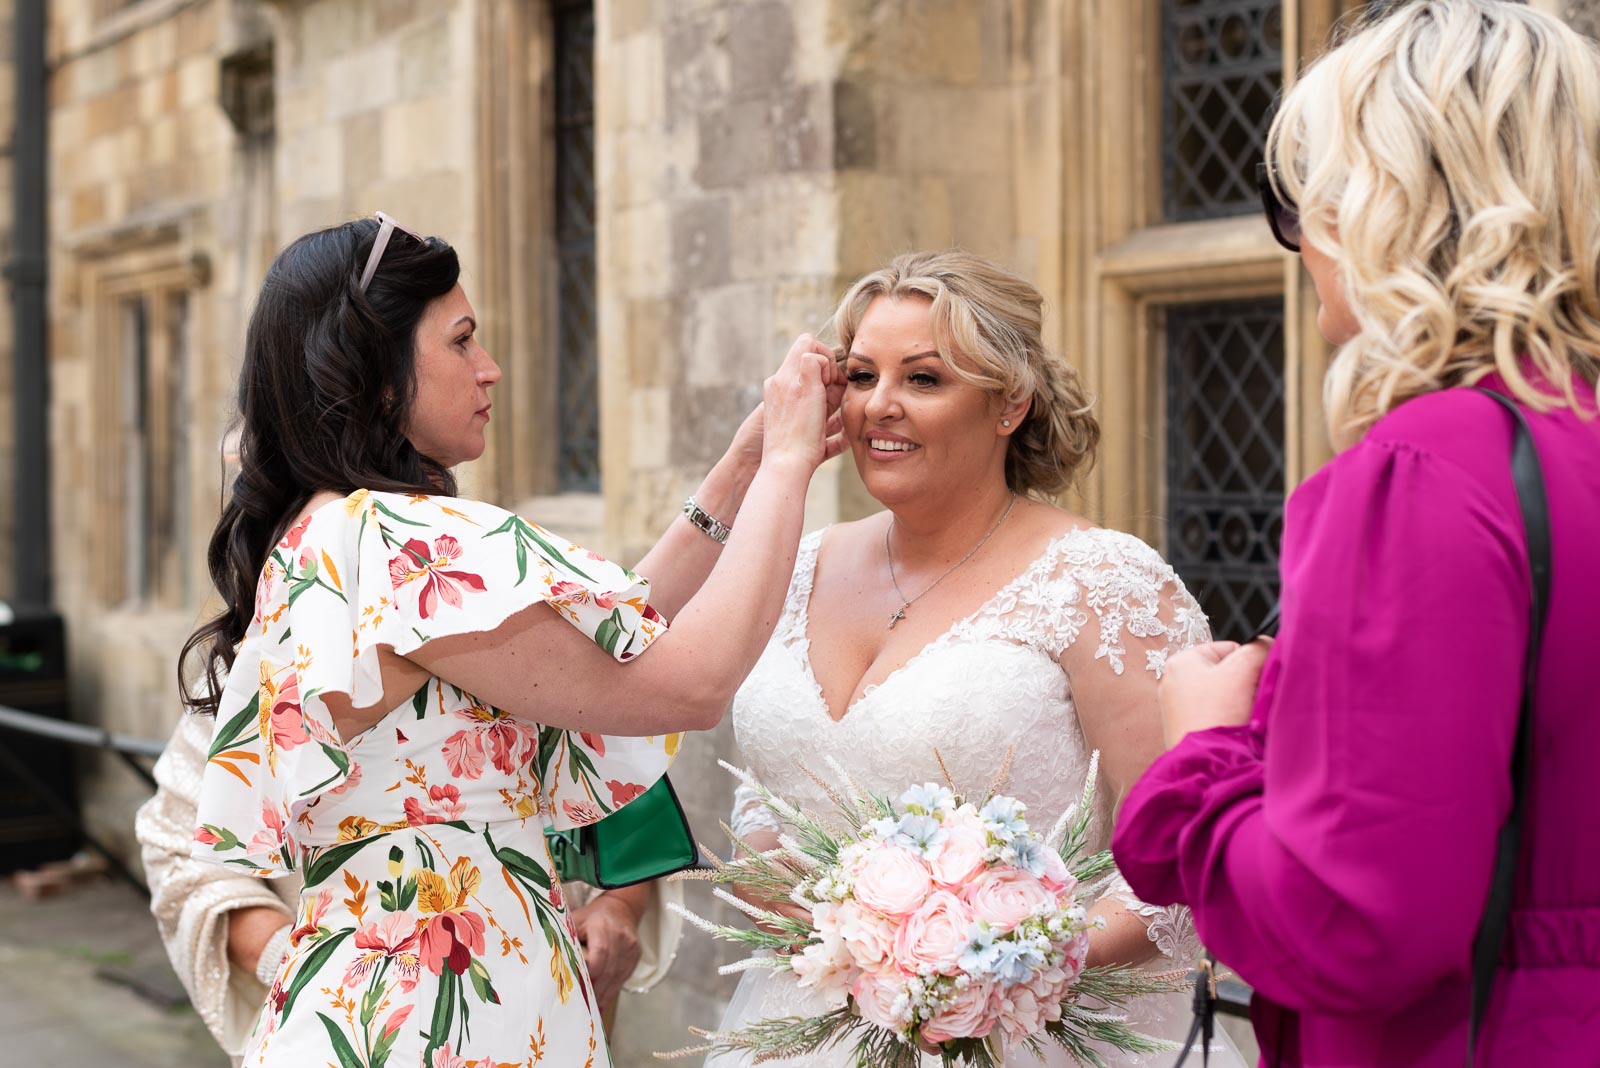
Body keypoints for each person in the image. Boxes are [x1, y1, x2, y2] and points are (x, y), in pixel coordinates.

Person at [181, 213, 843, 1067]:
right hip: (441, 1014)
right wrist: (790, 465)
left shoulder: (338, 527)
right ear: (377, 376)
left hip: (420, 991)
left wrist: (744, 467)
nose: (489, 369)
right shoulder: (403, 539)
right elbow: (690, 685)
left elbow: (598, 641)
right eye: (460, 342)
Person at [1111, 3, 1600, 1066]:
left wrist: (1204, 748)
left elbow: (1354, 924)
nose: (1296, 244)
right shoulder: (1576, 440)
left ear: (1388, 200)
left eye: (1306, 198)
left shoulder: (1422, 470)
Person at [706, 250, 1245, 1067]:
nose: (879, 407)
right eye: (859, 376)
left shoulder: (1099, 581)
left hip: (1039, 1037)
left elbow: (1184, 862)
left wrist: (994, 965)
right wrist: (831, 924)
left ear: (1009, 404)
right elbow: (765, 808)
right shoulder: (798, 563)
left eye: (923, 380)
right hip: (806, 1028)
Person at [136, 710, 684, 1064]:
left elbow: (631, 804)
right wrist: (295, 958)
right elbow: (186, 851)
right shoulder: (264, 667)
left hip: (542, 1016)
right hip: (344, 1021)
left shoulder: (538, 643)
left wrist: (620, 905)